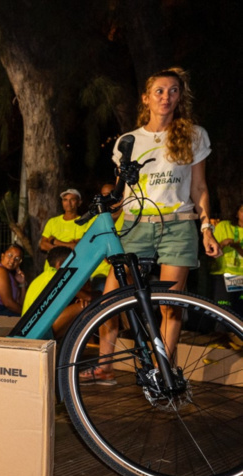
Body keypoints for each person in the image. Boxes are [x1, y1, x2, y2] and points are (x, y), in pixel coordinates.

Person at [88, 67, 221, 382]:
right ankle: (105, 365)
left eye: (173, 90)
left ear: (180, 97)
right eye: (159, 91)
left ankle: (164, 371)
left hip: (179, 226)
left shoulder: (194, 134)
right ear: (146, 98)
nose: (166, 97)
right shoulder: (128, 141)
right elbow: (121, 194)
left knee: (171, 305)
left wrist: (206, 229)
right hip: (136, 225)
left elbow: (199, 188)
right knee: (111, 299)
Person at [22, 246, 90, 338]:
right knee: (84, 306)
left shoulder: (43, 277)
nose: (74, 266)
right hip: (37, 333)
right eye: (72, 263)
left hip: (27, 330)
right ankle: (91, 348)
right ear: (60, 264)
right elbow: (88, 297)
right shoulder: (59, 278)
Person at [210, 202, 243, 314]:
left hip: (241, 276)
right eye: (242, 210)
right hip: (223, 274)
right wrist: (223, 244)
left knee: (239, 310)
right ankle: (220, 332)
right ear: (237, 213)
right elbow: (211, 252)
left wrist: (238, 248)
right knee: (222, 309)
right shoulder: (224, 225)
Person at [39, 189, 91, 256]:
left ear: (79, 202)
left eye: (72, 200)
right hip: (50, 266)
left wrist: (54, 241)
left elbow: (77, 247)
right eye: (65, 200)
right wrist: (67, 245)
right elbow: (43, 245)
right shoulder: (52, 221)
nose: (68, 203)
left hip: (72, 265)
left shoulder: (83, 222)